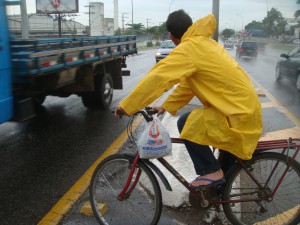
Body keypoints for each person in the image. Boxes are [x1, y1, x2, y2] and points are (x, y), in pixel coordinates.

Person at [115, 10, 263, 188]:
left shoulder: (189, 49)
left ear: (171, 35)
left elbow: (158, 77)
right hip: (240, 108)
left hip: (236, 112)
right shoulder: (205, 43)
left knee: (186, 123)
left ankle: (210, 171)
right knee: (222, 177)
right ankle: (217, 189)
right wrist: (166, 106)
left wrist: (127, 105)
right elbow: (189, 85)